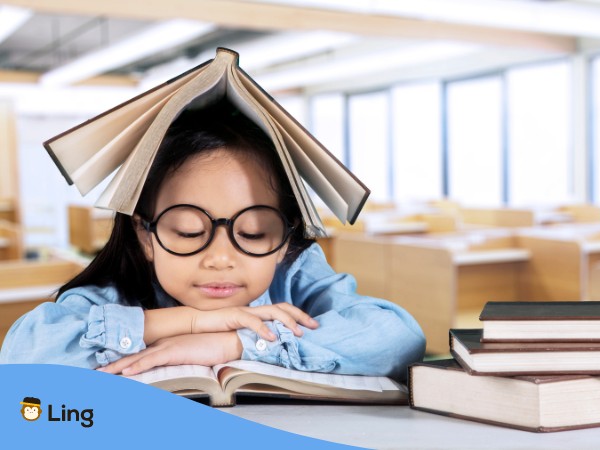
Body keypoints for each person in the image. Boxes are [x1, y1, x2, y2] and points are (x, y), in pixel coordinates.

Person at [0, 101, 426, 381]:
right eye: (188, 232)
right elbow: (23, 356)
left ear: (283, 242)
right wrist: (188, 322)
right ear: (144, 235)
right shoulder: (116, 294)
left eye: (254, 233)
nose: (221, 258)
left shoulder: (294, 276)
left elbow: (397, 335)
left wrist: (234, 341)